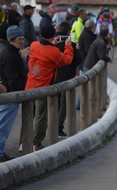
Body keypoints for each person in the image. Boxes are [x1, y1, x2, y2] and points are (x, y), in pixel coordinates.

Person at [22, 25, 74, 152]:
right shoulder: (53, 51)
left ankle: (22, 143)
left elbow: (44, 51)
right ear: (53, 36)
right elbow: (66, 60)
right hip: (43, 87)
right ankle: (35, 143)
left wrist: (52, 44)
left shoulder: (34, 45)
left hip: (29, 85)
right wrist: (68, 45)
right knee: (41, 116)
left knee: (28, 116)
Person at [0, 25, 28, 162]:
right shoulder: (9, 56)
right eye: (19, 39)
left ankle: (1, 153)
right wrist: (19, 93)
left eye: (23, 39)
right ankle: (0, 154)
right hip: (10, 96)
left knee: (4, 126)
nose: (22, 41)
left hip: (11, 95)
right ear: (11, 41)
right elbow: (13, 78)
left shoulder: (13, 53)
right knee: (3, 127)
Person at [54, 21, 81, 137]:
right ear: (69, 32)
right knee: (64, 104)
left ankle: (52, 127)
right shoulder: (70, 45)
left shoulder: (52, 44)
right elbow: (78, 60)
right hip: (67, 79)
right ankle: (58, 129)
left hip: (54, 78)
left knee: (55, 104)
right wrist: (76, 48)